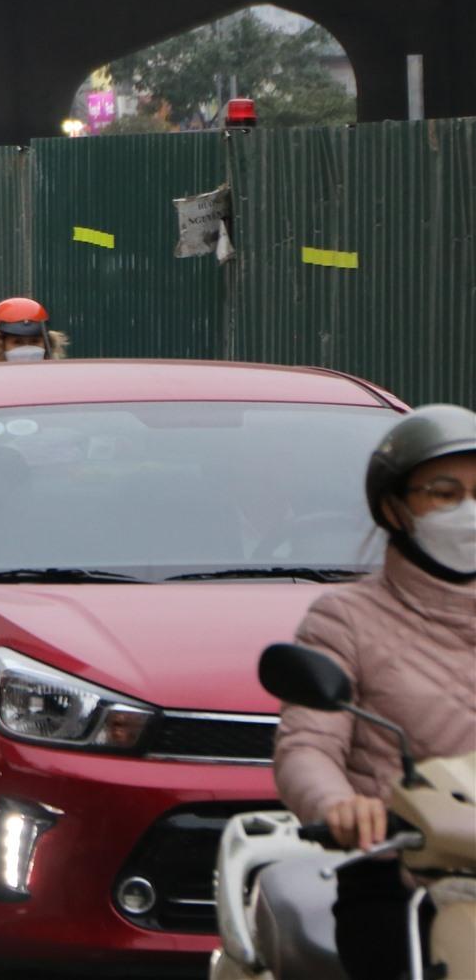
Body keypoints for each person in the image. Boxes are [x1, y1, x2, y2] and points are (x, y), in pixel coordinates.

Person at [273, 404, 476, 980]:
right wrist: (340, 806)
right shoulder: (345, 618)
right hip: (401, 877)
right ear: (395, 507)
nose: (469, 511)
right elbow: (306, 745)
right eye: (444, 493)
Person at [0, 296, 68, 361]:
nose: (27, 348)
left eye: (35, 341)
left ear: (47, 343)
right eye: (17, 342)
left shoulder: (57, 379)